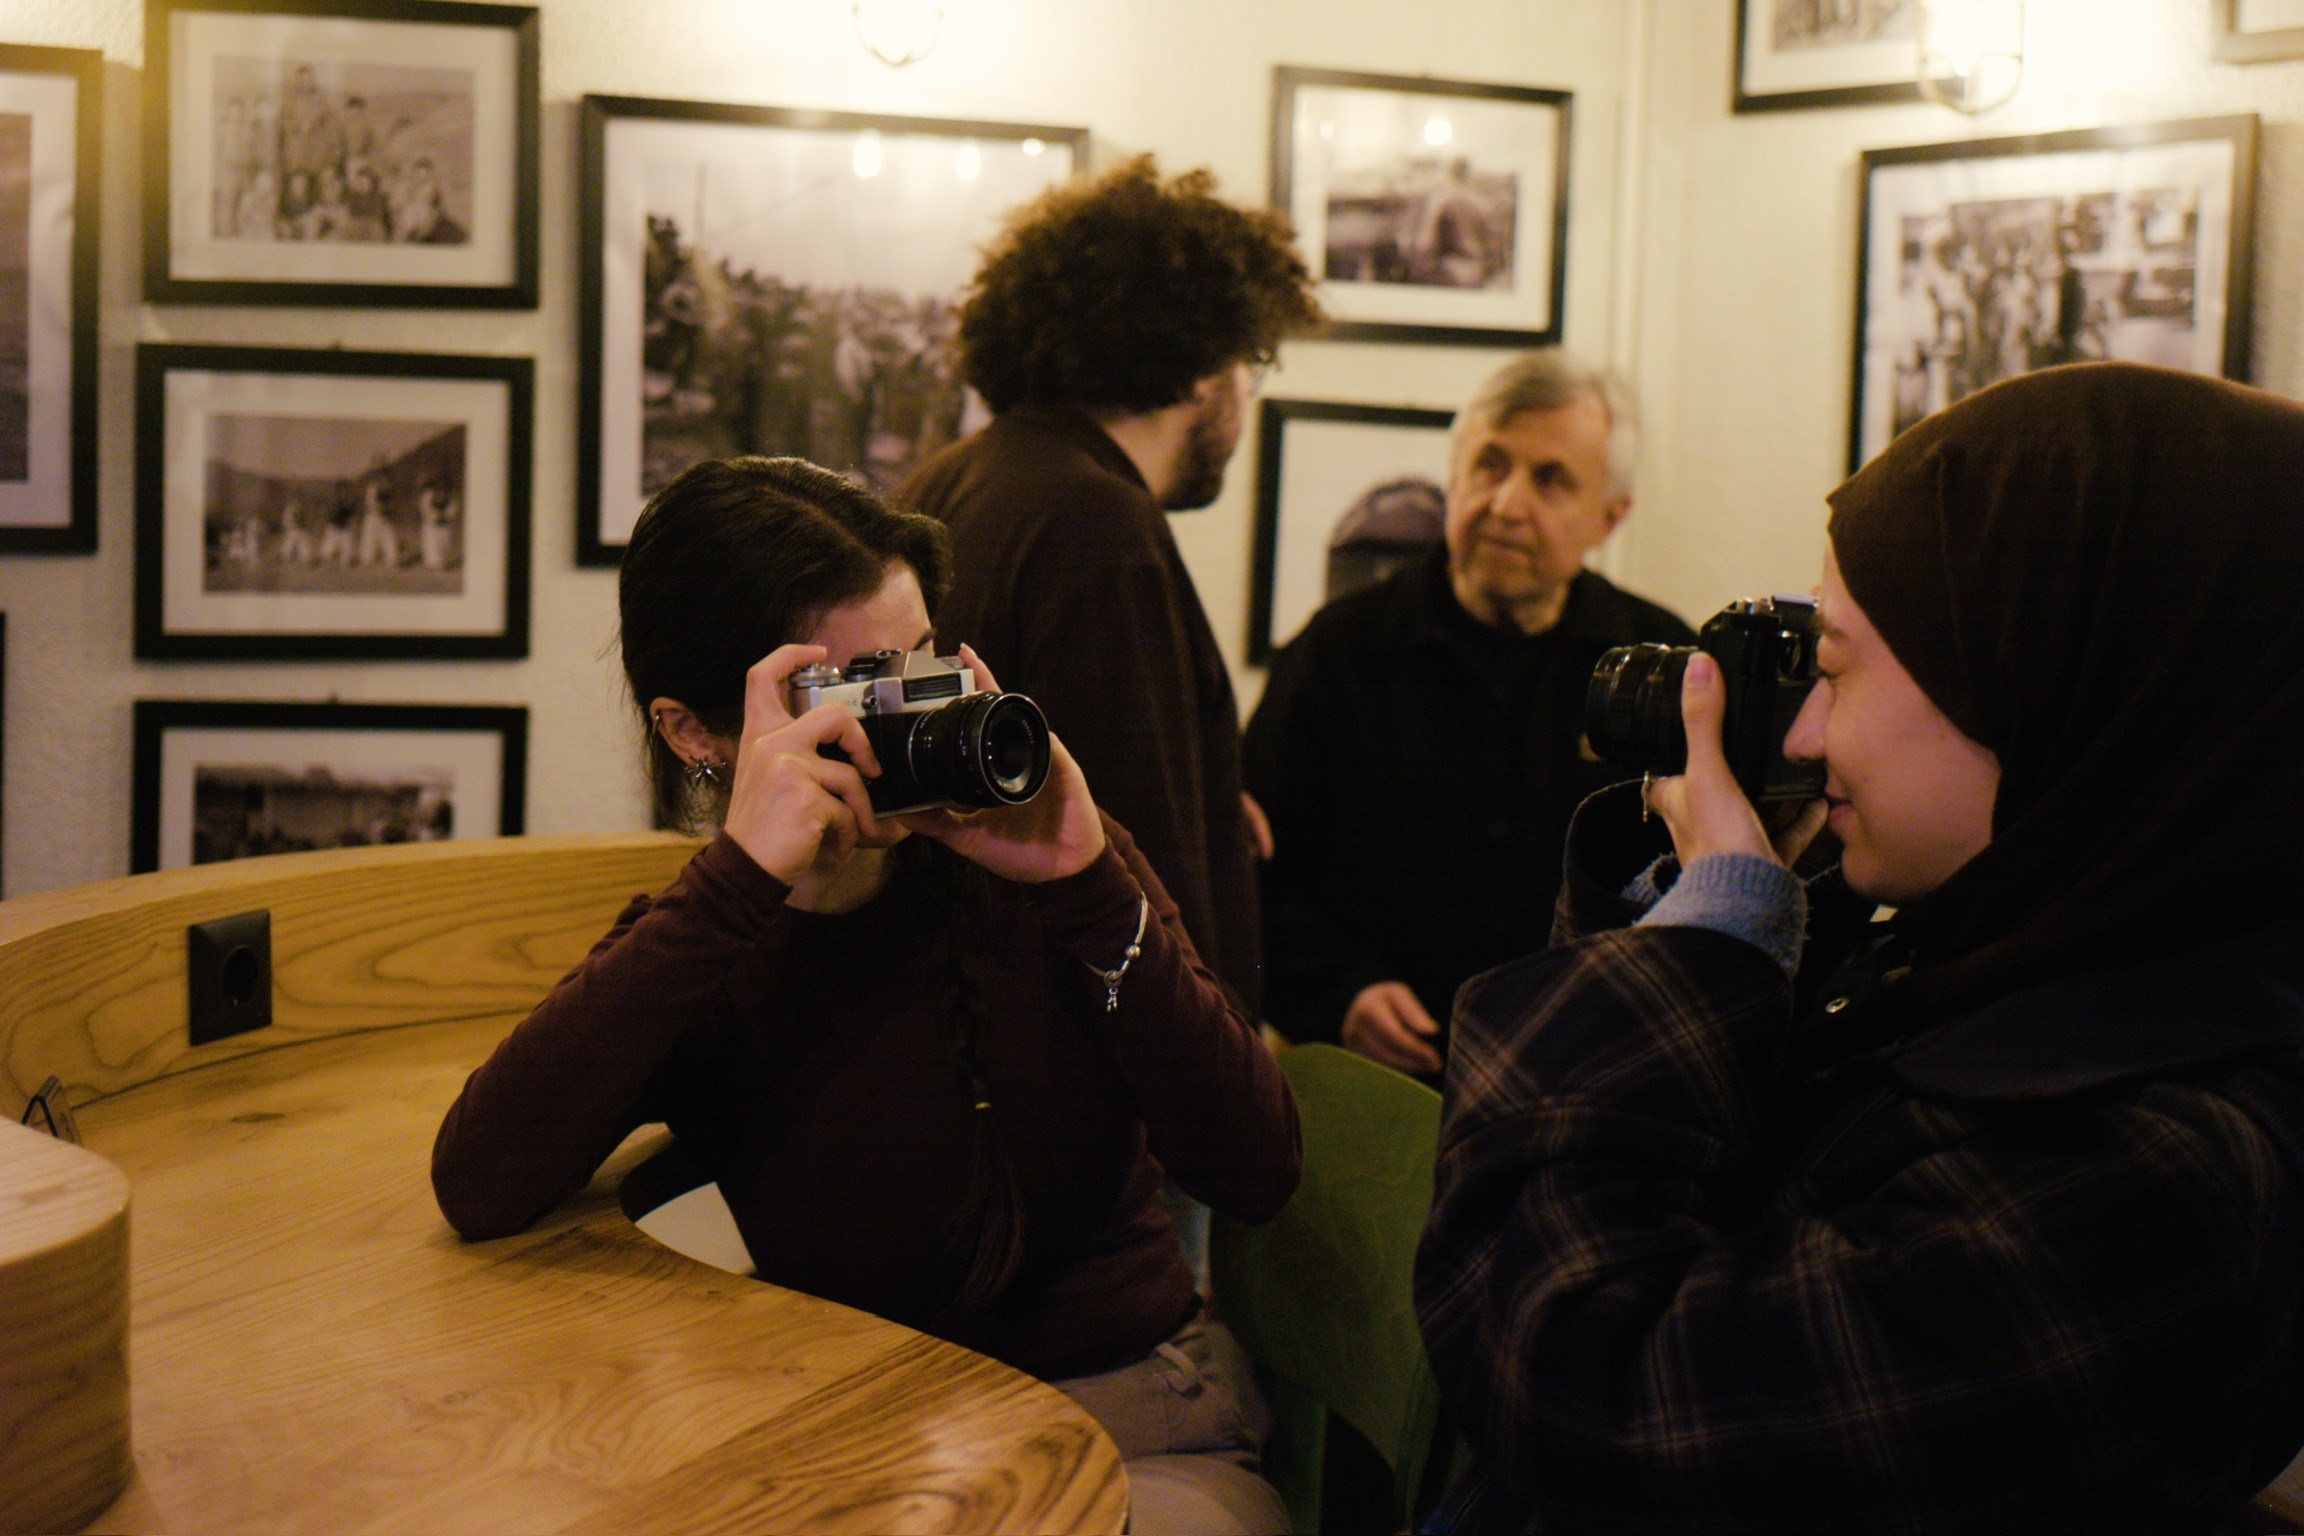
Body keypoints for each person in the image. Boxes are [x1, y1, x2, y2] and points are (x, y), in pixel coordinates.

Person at [1414, 362, 2304, 1534]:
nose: (1808, 731)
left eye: (1835, 669)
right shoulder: (2008, 963)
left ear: (2034, 683)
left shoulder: (2165, 1172)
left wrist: (1709, 950)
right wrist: (1720, 911)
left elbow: (1586, 1388)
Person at [431, 456, 1302, 1536]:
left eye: (916, 667)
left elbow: (1257, 1168)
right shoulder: (708, 941)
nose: (898, 722)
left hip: (1128, 1413)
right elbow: (477, 1181)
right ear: (694, 732)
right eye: (846, 694)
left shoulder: (1049, 866)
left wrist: (1088, 886)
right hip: (874, 1449)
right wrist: (741, 882)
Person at [899, 155, 1322, 1014]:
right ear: (1205, 368)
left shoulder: (960, 478)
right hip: (1071, 1086)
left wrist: (1203, 795)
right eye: (1252, 362)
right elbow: (1139, 878)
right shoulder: (1099, 529)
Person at [1243, 350, 1691, 1076]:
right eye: (1490, 464)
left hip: (1588, 1087)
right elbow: (1249, 873)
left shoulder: (1665, 669)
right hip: (1373, 1087)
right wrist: (1339, 994)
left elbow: (1699, 888)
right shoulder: (1336, 655)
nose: (1507, 505)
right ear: (1453, 476)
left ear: (1610, 517)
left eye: (1551, 481)